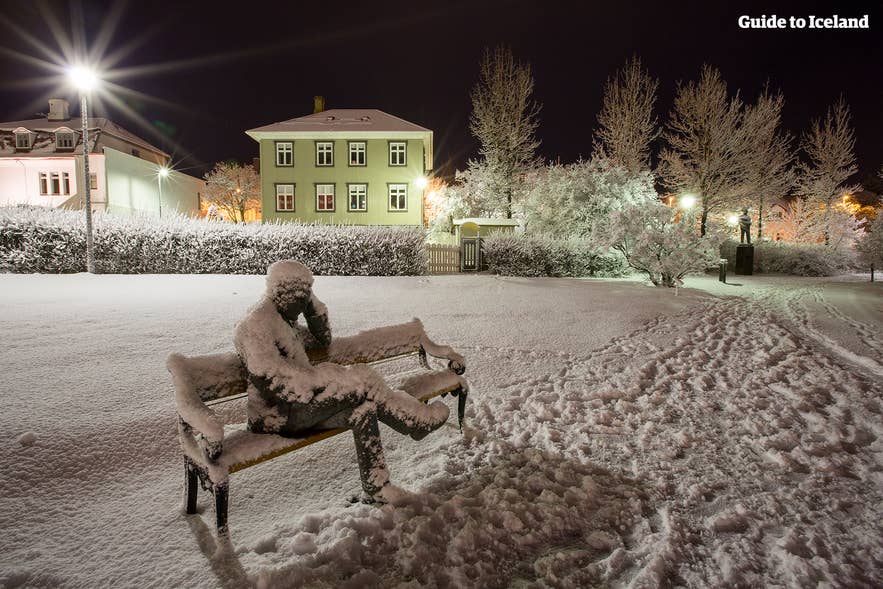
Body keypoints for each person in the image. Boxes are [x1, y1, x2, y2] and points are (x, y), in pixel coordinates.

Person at [233, 260, 451, 502]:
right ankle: (413, 421)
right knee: (362, 382)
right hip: (277, 417)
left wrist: (312, 306)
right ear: (281, 293)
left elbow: (324, 338)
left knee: (363, 411)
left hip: (301, 406)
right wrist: (323, 384)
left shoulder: (285, 319)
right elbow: (272, 381)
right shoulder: (256, 326)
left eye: (306, 298)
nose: (302, 305)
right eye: (300, 299)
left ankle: (377, 487)